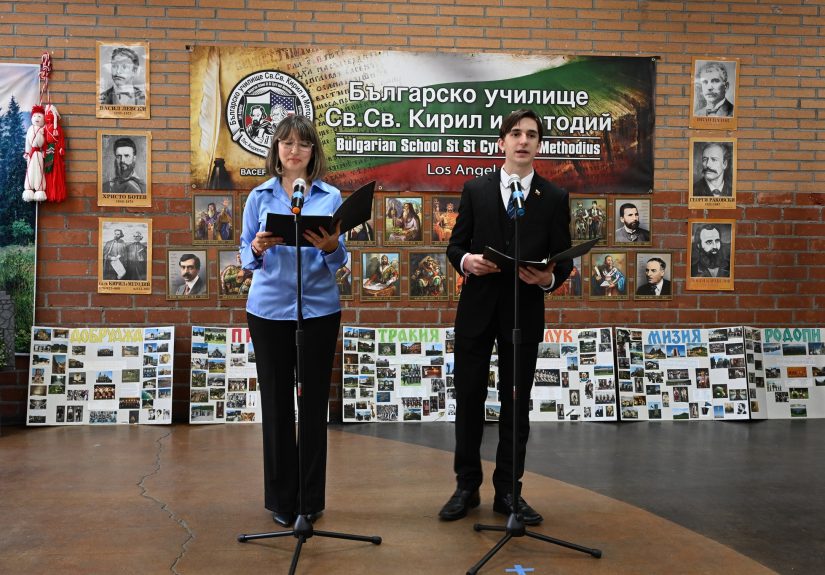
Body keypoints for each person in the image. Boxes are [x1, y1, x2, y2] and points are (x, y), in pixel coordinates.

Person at [440, 109, 573, 526]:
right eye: (515, 133)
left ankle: (509, 491)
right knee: (469, 400)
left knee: (516, 404)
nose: (523, 140)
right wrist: (467, 262)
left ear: (539, 145)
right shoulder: (475, 190)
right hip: (477, 311)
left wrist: (549, 278)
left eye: (531, 135)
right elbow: (455, 246)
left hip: (523, 311)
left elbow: (563, 258)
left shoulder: (554, 197)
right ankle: (466, 486)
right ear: (502, 142)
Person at [239, 115, 346, 528]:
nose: (294, 150)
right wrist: (257, 247)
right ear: (277, 150)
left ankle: (310, 499)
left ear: (313, 151)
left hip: (319, 311)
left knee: (314, 404)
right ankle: (282, 499)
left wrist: (332, 247)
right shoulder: (259, 197)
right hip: (269, 311)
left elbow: (340, 259)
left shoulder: (330, 197)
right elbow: (246, 256)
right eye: (287, 143)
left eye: (303, 143)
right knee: (277, 404)